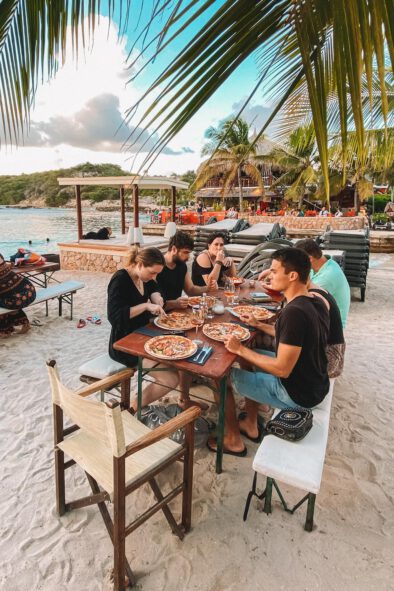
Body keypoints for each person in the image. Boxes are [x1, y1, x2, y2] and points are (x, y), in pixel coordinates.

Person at [207, 248, 330, 456]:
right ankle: (251, 423)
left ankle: (232, 439)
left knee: (219, 376)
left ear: (292, 276)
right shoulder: (312, 301)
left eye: (274, 271)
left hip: (296, 394)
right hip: (314, 382)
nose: (269, 275)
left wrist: (239, 350)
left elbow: (282, 369)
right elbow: (292, 338)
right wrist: (259, 325)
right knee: (247, 355)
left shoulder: (294, 313)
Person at [107, 246, 189, 412]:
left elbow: (155, 288)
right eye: (152, 273)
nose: (154, 276)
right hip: (124, 344)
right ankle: (133, 407)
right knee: (170, 379)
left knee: (181, 359)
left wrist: (157, 298)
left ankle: (184, 400)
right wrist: (145, 306)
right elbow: (114, 317)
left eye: (157, 274)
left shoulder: (144, 278)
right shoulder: (120, 280)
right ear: (139, 265)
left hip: (144, 336)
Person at [296, 239, 351, 328]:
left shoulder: (327, 277)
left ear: (309, 258)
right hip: (321, 317)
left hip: (330, 328)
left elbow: (301, 300)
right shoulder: (326, 264)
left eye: (297, 260)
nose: (296, 264)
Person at [156, 231, 216, 310]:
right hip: (158, 315)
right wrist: (174, 303)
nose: (188, 257)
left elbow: (190, 289)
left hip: (177, 312)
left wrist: (207, 288)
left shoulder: (181, 265)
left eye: (189, 253)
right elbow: (151, 301)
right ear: (174, 249)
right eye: (185, 252)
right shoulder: (156, 267)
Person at [0, 253, 36, 337]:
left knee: (5, 301)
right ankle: (24, 323)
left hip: (19, 298)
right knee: (6, 297)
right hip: (29, 289)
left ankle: (5, 331)